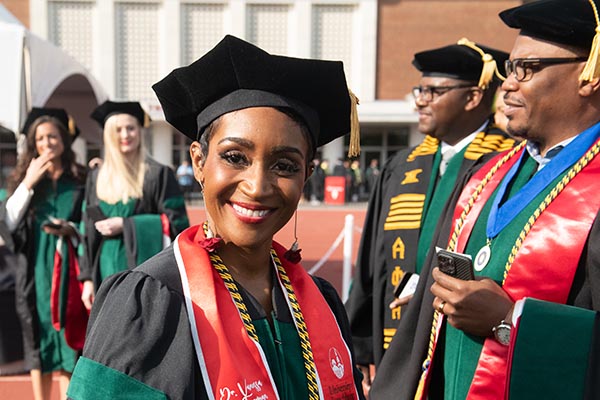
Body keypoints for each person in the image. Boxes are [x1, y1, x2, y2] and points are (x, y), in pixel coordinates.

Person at [67, 35, 365, 399]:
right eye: (235, 157)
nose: (257, 187)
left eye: (285, 165)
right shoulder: (152, 302)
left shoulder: (321, 303)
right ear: (198, 162)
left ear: (307, 177)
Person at [370, 1, 600, 399]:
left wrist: (510, 321)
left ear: (589, 74)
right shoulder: (484, 175)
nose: (508, 84)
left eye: (526, 68)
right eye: (510, 68)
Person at [344, 38, 515, 395]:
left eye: (434, 91)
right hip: (394, 333)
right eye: (419, 89)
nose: (420, 99)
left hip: (456, 335)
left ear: (472, 97)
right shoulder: (404, 165)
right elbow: (373, 258)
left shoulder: (507, 163)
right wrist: (360, 342)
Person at [4, 107, 87, 400]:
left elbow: (89, 221)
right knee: (39, 338)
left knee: (67, 337)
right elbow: (8, 223)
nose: (47, 143)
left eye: (53, 136)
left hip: (70, 268)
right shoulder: (25, 182)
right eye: (40, 138)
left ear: (64, 141)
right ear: (34, 144)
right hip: (35, 270)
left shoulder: (80, 179)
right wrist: (28, 182)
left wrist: (72, 230)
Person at [79, 101, 189, 309]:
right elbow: (86, 230)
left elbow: (178, 223)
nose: (125, 135)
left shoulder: (158, 174)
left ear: (140, 131)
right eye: (118, 130)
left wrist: (127, 224)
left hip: (144, 269)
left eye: (131, 128)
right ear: (109, 136)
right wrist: (87, 279)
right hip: (104, 267)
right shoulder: (96, 177)